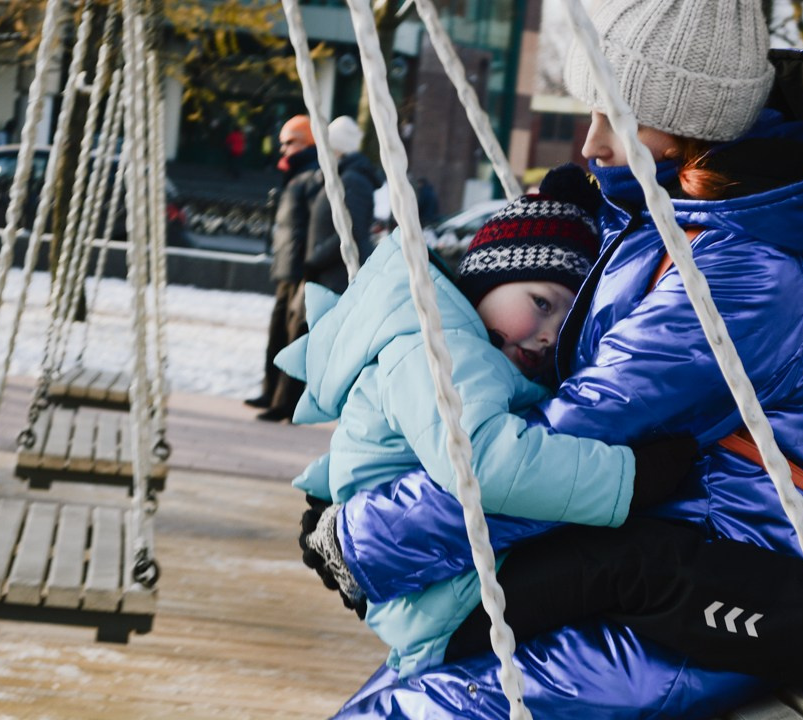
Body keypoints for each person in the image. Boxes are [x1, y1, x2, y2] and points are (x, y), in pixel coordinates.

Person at [296, 1, 803, 717]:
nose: (592, 145)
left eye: (617, 119)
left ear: (695, 124)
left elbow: (569, 439)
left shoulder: (740, 272)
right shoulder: (664, 219)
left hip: (708, 584)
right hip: (631, 555)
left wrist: (365, 536)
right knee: (398, 690)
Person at [278, 166, 699, 677]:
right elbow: (486, 464)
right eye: (541, 303)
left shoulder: (470, 353)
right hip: (441, 601)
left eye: (564, 323)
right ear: (489, 277)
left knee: (619, 576)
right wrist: (629, 480)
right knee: (629, 565)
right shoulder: (435, 348)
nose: (548, 335)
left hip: (448, 584)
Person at [245, 115, 321, 422]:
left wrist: (307, 263)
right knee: (278, 331)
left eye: (292, 142)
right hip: (288, 264)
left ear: (309, 142)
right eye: (283, 143)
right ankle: (270, 390)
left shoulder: (312, 173)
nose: (285, 149)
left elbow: (313, 224)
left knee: (293, 335)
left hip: (301, 266)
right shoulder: (296, 173)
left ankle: (284, 400)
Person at [303, 116, 383, 294]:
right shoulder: (341, 177)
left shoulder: (353, 181)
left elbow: (351, 231)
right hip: (330, 275)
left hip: (338, 279)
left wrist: (315, 261)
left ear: (338, 148)